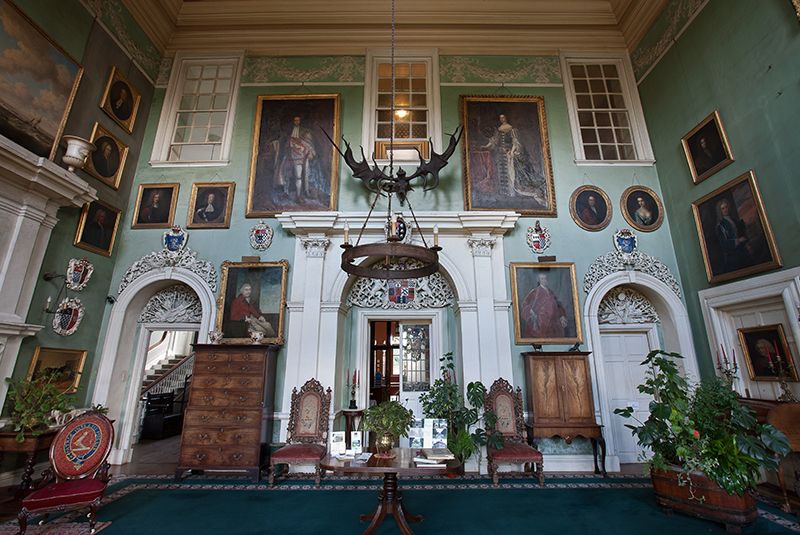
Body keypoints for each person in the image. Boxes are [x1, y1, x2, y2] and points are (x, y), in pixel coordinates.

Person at [481, 114, 545, 204]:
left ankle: (512, 191)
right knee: (502, 173)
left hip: (508, 154)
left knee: (511, 173)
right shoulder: (499, 130)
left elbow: (516, 142)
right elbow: (494, 142)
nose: (502, 119)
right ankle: (505, 193)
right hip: (500, 155)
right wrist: (486, 147)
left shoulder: (512, 129)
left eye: (503, 117)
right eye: (500, 118)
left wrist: (512, 151)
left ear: (506, 118)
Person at [275, 115, 318, 199]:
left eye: (298, 120)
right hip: (290, 155)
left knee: (303, 175)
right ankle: (287, 192)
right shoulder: (290, 132)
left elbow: (309, 144)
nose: (296, 122)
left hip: (303, 156)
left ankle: (303, 193)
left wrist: (301, 144)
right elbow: (286, 143)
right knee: (287, 173)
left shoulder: (305, 132)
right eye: (295, 120)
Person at [521, 272, 568, 339]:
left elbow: (558, 305)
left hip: (553, 321)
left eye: (545, 278)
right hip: (542, 321)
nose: (545, 280)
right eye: (542, 279)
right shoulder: (535, 292)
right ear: (539, 280)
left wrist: (562, 315)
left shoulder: (550, 292)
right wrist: (531, 312)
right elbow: (525, 304)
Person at [714, 197, 751, 272]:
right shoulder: (720, 226)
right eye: (723, 208)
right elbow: (723, 244)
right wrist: (738, 241)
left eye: (726, 207)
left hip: (743, 250)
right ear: (720, 211)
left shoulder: (734, 220)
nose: (725, 210)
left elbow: (741, 233)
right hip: (733, 255)